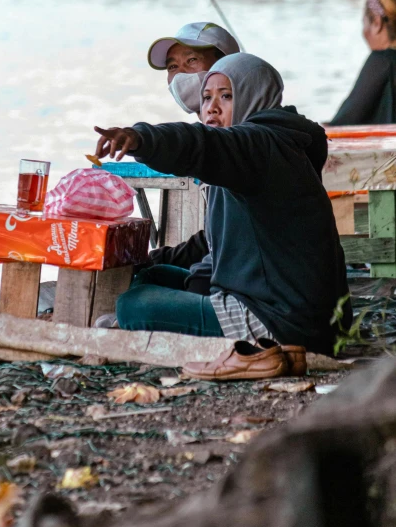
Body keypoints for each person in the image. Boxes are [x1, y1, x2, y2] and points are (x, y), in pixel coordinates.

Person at [94, 53, 351, 371]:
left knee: (134, 305)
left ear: (254, 97)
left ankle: (245, 351)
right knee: (151, 275)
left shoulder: (260, 145)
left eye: (226, 96)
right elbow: (218, 243)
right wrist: (151, 260)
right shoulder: (270, 147)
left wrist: (141, 139)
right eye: (206, 97)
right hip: (298, 312)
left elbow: (198, 143)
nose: (211, 108)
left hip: (283, 325)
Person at [146, 21, 240, 272]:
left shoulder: (242, 137)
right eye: (172, 66)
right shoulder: (213, 131)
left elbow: (220, 238)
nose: (181, 74)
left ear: (227, 65)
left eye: (192, 61)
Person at [330, 0, 396, 125]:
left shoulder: (382, 60)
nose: (363, 31)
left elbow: (345, 120)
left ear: (377, 23)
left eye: (364, 22)